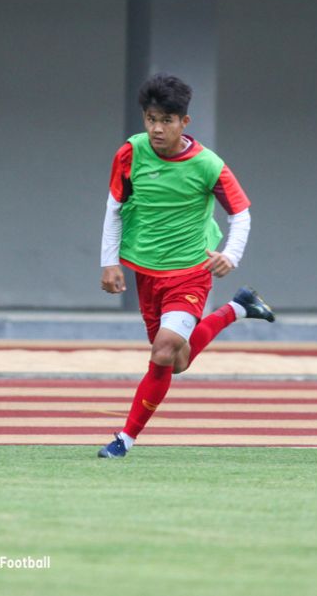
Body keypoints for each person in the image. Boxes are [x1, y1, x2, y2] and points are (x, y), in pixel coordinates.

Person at [97, 73, 275, 458]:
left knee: (163, 352)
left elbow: (241, 212)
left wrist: (230, 255)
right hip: (145, 270)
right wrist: (109, 263)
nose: (157, 128)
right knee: (175, 362)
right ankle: (237, 308)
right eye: (150, 119)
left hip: (190, 270)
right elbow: (114, 207)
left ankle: (123, 439)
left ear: (184, 122)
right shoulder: (130, 153)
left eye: (166, 120)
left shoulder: (208, 165)